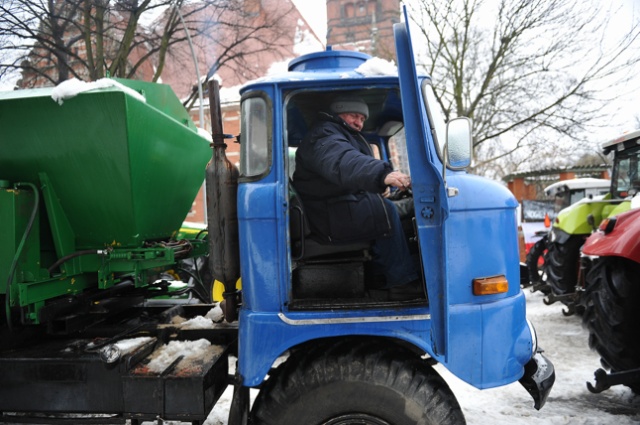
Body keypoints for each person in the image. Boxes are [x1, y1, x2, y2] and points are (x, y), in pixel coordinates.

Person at [292, 96, 423, 301]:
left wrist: (379, 186)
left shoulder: (337, 133)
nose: (359, 123)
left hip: (333, 208)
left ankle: (393, 273)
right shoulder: (325, 135)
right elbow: (344, 161)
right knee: (384, 212)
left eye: (362, 119)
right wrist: (381, 174)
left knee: (387, 206)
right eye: (354, 116)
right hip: (327, 215)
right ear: (339, 112)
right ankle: (401, 282)